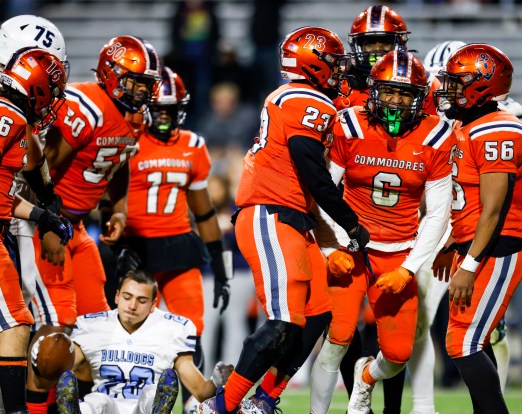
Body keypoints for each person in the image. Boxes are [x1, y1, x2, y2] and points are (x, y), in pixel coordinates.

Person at [200, 25, 370, 414]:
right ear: (314, 65)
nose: (337, 70)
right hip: (270, 212)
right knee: (283, 322)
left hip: (293, 217)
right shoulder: (302, 98)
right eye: (331, 63)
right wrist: (352, 223)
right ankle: (220, 406)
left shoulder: (301, 98)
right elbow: (312, 170)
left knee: (318, 312)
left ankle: (264, 399)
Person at [307, 50, 455, 414]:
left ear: (421, 99)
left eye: (406, 94)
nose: (396, 101)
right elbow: (323, 192)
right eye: (389, 91)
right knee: (338, 336)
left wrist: (410, 268)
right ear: (373, 91)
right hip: (352, 246)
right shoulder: (349, 125)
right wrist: (330, 249)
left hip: (399, 253)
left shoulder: (436, 136)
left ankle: (367, 378)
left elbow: (438, 214)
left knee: (399, 354)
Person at [26, 35, 162, 411]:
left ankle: (82, 407)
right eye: (135, 81)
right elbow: (41, 170)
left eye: (146, 85)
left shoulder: (137, 116)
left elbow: (121, 161)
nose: (141, 91)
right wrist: (49, 224)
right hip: (43, 224)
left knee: (95, 334)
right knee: (53, 338)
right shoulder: (86, 105)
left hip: (79, 227)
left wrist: (116, 210)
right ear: (111, 73)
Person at [0, 14, 70, 413]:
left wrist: (43, 215)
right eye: (50, 89)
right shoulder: (5, 111)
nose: (54, 99)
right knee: (14, 324)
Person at [117, 65, 231, 407]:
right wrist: (118, 244)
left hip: (179, 244)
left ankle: (193, 403)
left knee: (189, 332)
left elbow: (204, 210)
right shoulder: (128, 138)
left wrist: (221, 267)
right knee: (130, 332)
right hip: (137, 248)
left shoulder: (193, 144)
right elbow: (107, 199)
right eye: (159, 109)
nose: (165, 117)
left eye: (171, 109)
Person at [430, 43, 522, 413]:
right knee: (465, 339)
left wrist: (470, 264)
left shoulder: (498, 129)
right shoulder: (469, 124)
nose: (449, 90)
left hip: (498, 246)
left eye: (458, 83)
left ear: (482, 86)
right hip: (477, 244)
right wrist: (450, 244)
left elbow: (494, 208)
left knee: (464, 342)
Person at [36, 270, 233, 414]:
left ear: (153, 305)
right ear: (117, 296)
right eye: (127, 297)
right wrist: (43, 360)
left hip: (144, 406)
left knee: (152, 394)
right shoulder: (93, 326)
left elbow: (200, 392)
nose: (132, 306)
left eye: (141, 300)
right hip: (108, 404)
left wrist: (216, 382)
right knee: (96, 401)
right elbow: (60, 372)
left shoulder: (170, 329)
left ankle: (158, 408)